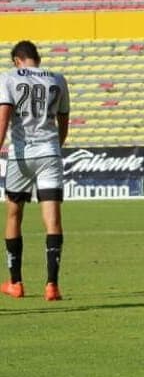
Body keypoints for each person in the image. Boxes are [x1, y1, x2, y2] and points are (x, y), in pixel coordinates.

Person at [0, 41, 69, 301]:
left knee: (14, 215)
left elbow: (3, 118)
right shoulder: (57, 79)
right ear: (36, 58)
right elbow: (64, 121)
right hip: (49, 152)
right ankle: (52, 285)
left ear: (18, 59)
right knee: (52, 220)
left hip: (21, 154)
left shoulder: (8, 78)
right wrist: (54, 147)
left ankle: (15, 282)